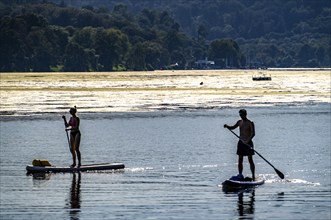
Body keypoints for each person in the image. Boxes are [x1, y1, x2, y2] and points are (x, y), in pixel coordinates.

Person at [224, 109, 255, 180]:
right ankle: (240, 175)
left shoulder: (250, 122)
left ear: (245, 114)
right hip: (241, 143)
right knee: (240, 159)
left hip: (248, 142)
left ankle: (253, 176)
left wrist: (247, 140)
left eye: (242, 115)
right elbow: (232, 127)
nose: (241, 116)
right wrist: (227, 126)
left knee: (250, 159)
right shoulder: (239, 122)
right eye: (240, 115)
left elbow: (253, 133)